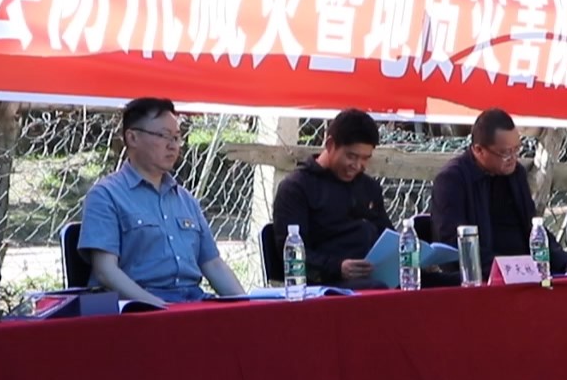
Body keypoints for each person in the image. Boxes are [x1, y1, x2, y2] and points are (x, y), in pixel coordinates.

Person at [80, 97, 248, 305]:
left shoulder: (186, 200)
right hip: (141, 307)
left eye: (177, 137)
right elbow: (105, 271)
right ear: (132, 138)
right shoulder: (106, 195)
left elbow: (213, 264)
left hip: (192, 302)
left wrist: (248, 306)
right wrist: (158, 307)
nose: (173, 145)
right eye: (163, 136)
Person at [431, 108, 567, 274]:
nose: (513, 158)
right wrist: (504, 269)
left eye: (516, 149)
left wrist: (565, 261)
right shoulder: (452, 181)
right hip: (482, 275)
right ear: (478, 150)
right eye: (505, 153)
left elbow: (532, 228)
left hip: (527, 271)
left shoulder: (516, 173)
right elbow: (453, 246)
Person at [272, 108, 394, 286]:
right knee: (377, 288)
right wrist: (337, 267)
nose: (357, 165)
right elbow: (289, 252)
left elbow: (388, 234)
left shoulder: (368, 187)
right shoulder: (297, 188)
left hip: (372, 275)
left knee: (430, 282)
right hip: (323, 285)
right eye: (351, 156)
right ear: (330, 145)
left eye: (365, 159)